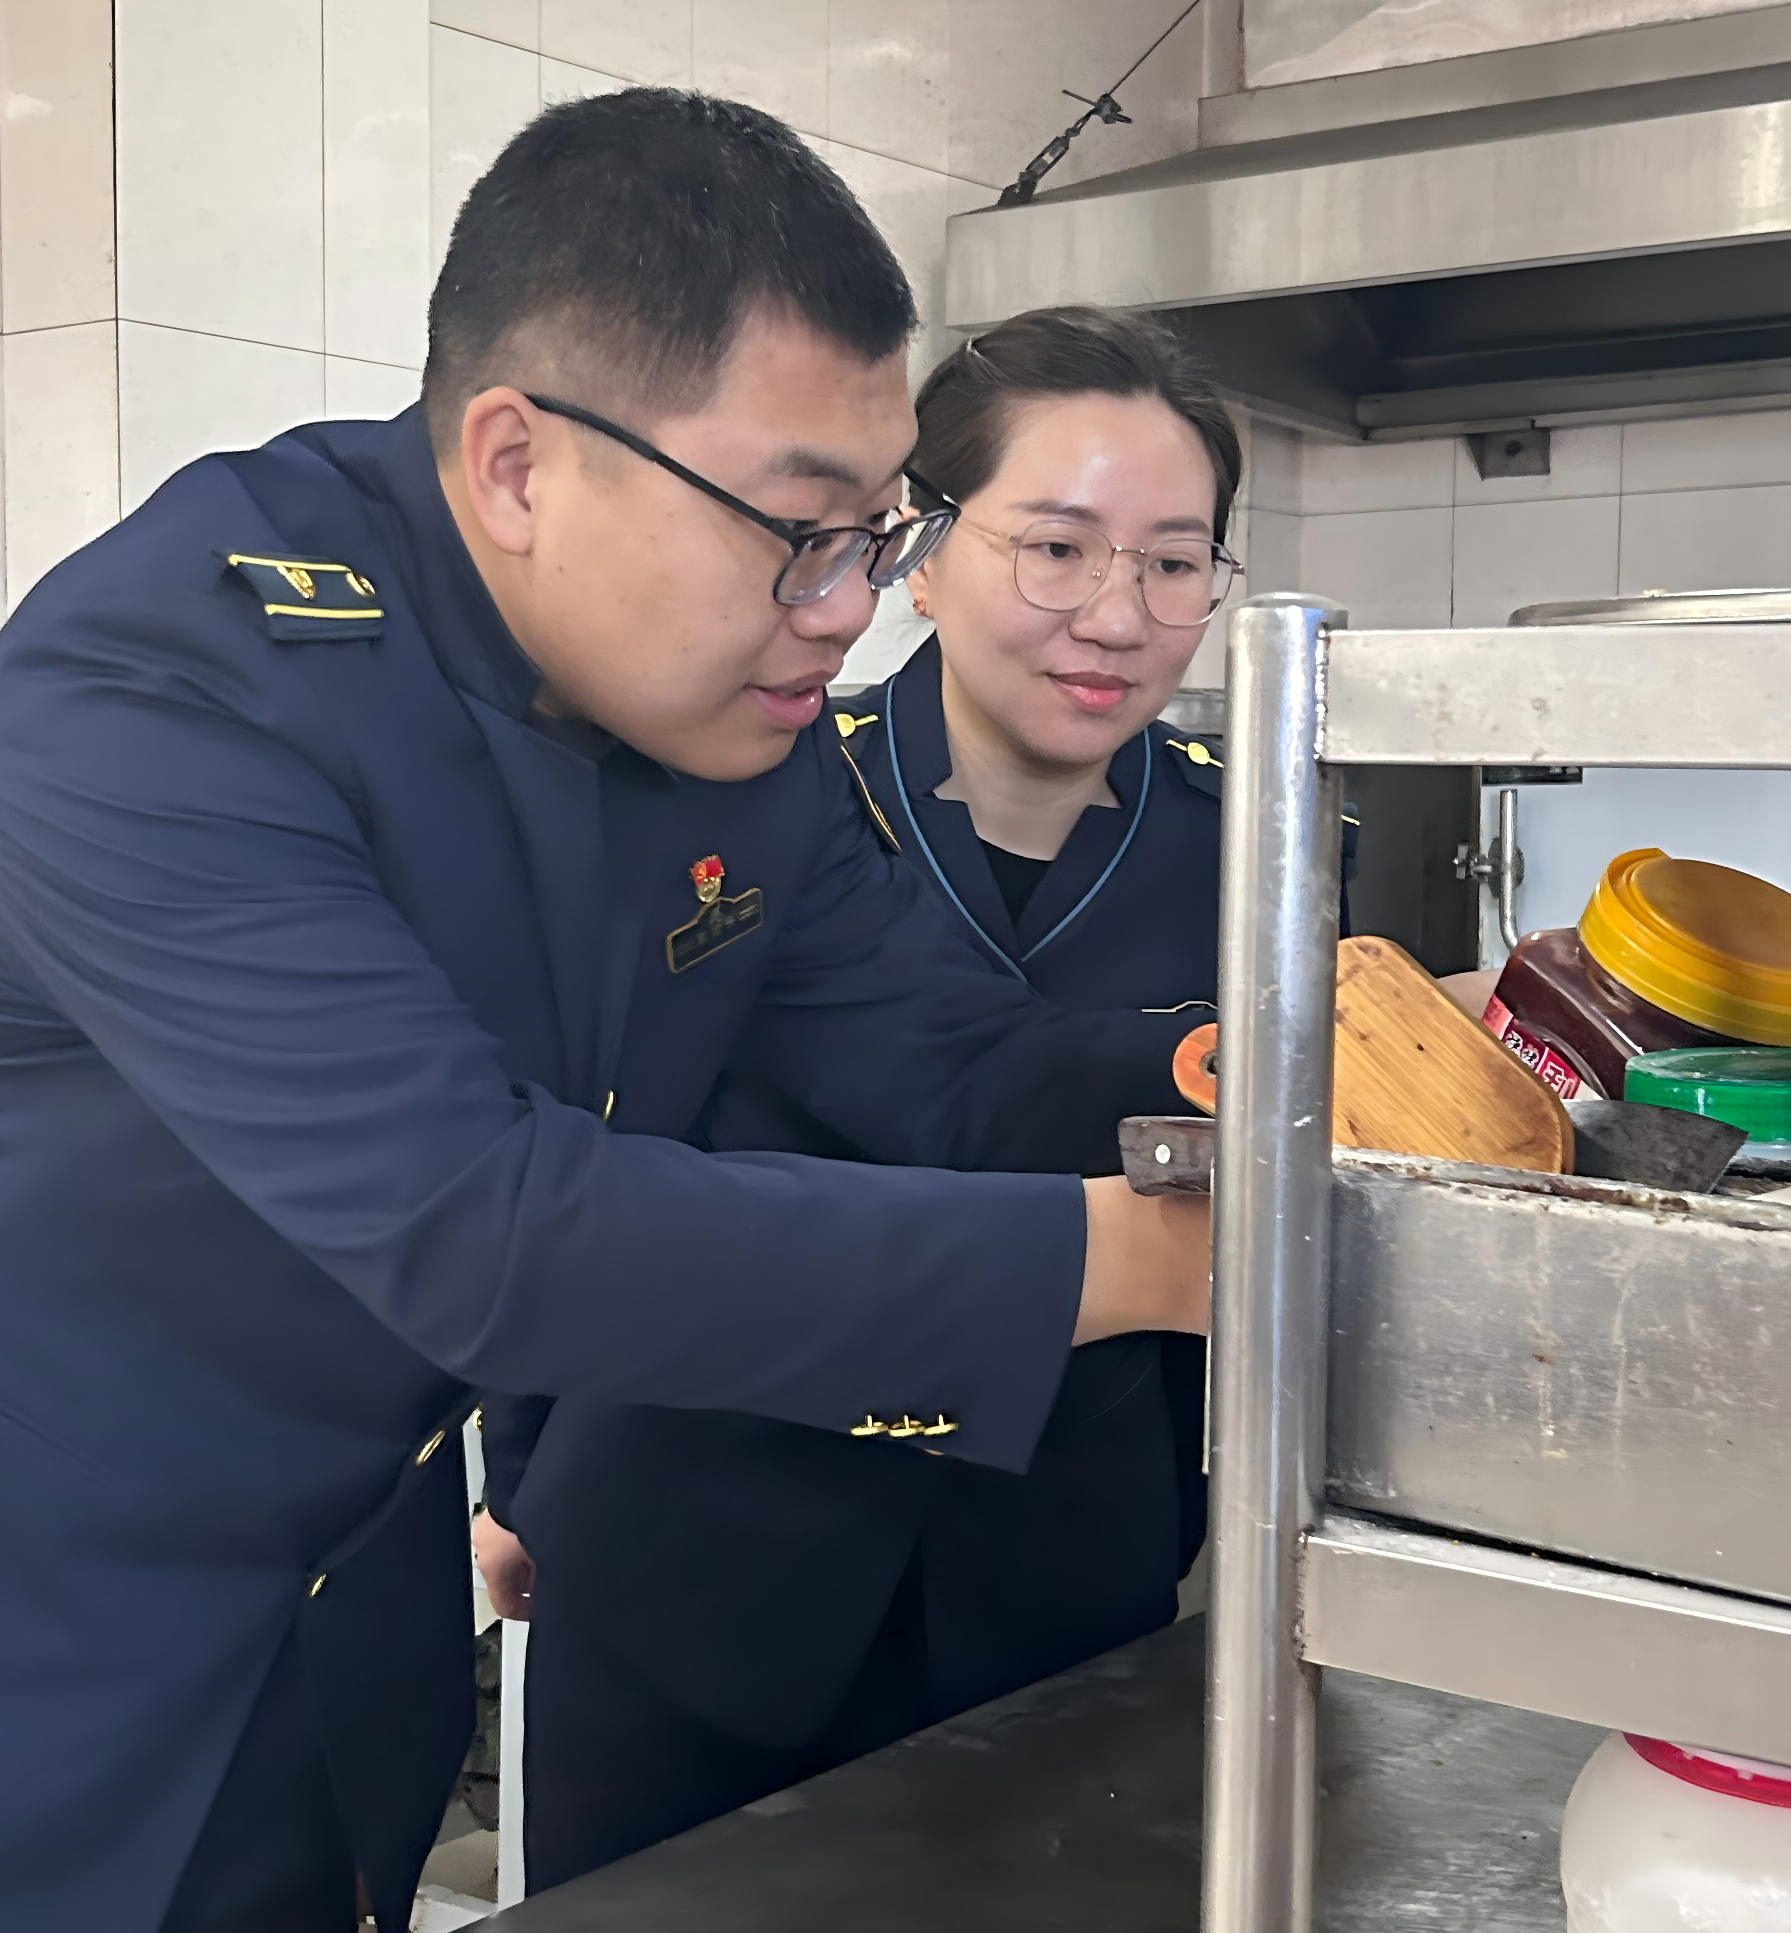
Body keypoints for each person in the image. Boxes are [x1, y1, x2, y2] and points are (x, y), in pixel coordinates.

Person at [0, 94, 1213, 1933]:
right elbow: (483, 1227)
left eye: (879, 535)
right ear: (518, 464)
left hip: (295, 1686)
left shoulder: (727, 725)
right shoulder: (164, 696)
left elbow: (946, 1059)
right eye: (801, 532)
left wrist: (1270, 1081)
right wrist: (1142, 1261)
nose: (849, 609)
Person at [477, 306, 1257, 1889]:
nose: (1117, 616)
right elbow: (580, 1117)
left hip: (1062, 1565)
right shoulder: (745, 788)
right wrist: (529, 1462)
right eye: (1057, 548)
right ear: (924, 548)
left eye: (1175, 564)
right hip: (702, 1523)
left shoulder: (1253, 850)